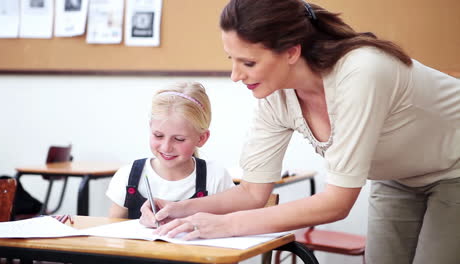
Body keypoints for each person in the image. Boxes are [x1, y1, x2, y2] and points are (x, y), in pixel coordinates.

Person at [140, 1, 460, 263]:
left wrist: (225, 226)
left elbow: (337, 203)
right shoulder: (274, 97)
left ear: (292, 52)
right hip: (397, 177)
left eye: (248, 63)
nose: (236, 76)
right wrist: (180, 210)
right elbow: (253, 193)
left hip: (455, 168)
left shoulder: (361, 72)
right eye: (232, 60)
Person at [106, 81, 235, 219]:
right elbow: (113, 229)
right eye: (158, 135)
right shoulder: (128, 176)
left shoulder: (216, 177)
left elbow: (232, 225)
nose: (166, 147)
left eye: (179, 139)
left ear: (201, 138)